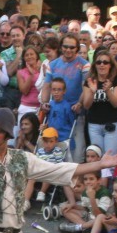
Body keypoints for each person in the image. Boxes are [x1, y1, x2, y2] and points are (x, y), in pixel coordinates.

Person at [40, 33, 90, 162]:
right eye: (65, 46)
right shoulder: (53, 64)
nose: (68, 50)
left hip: (75, 112)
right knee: (53, 144)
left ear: (77, 48)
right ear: (61, 47)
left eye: (72, 47)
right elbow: (46, 85)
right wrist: (44, 103)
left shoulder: (84, 64)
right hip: (56, 110)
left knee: (77, 148)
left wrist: (79, 103)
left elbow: (86, 87)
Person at [81, 51, 117, 156]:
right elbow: (86, 106)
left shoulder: (116, 80)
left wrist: (108, 90)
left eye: (105, 62)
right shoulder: (89, 81)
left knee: (109, 158)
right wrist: (92, 91)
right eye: (98, 62)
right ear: (94, 65)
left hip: (112, 124)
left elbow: (116, 103)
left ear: (110, 65)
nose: (102, 65)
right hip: (94, 125)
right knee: (97, 158)